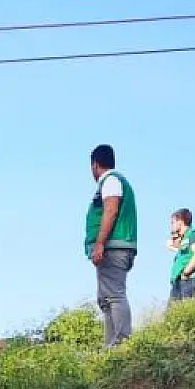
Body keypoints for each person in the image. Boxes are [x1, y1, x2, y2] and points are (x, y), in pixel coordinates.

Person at [84, 144, 137, 346]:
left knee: (114, 296)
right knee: (106, 299)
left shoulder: (111, 181)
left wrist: (99, 243)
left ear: (95, 164)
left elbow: (111, 210)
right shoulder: (114, 181)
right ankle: (111, 345)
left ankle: (122, 343)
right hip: (114, 246)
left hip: (113, 247)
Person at [167, 209, 195, 301]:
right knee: (174, 313)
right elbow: (184, 253)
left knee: (186, 311)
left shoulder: (193, 235)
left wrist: (186, 272)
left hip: (191, 279)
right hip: (181, 280)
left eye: (173, 223)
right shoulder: (185, 238)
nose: (171, 226)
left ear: (180, 222)